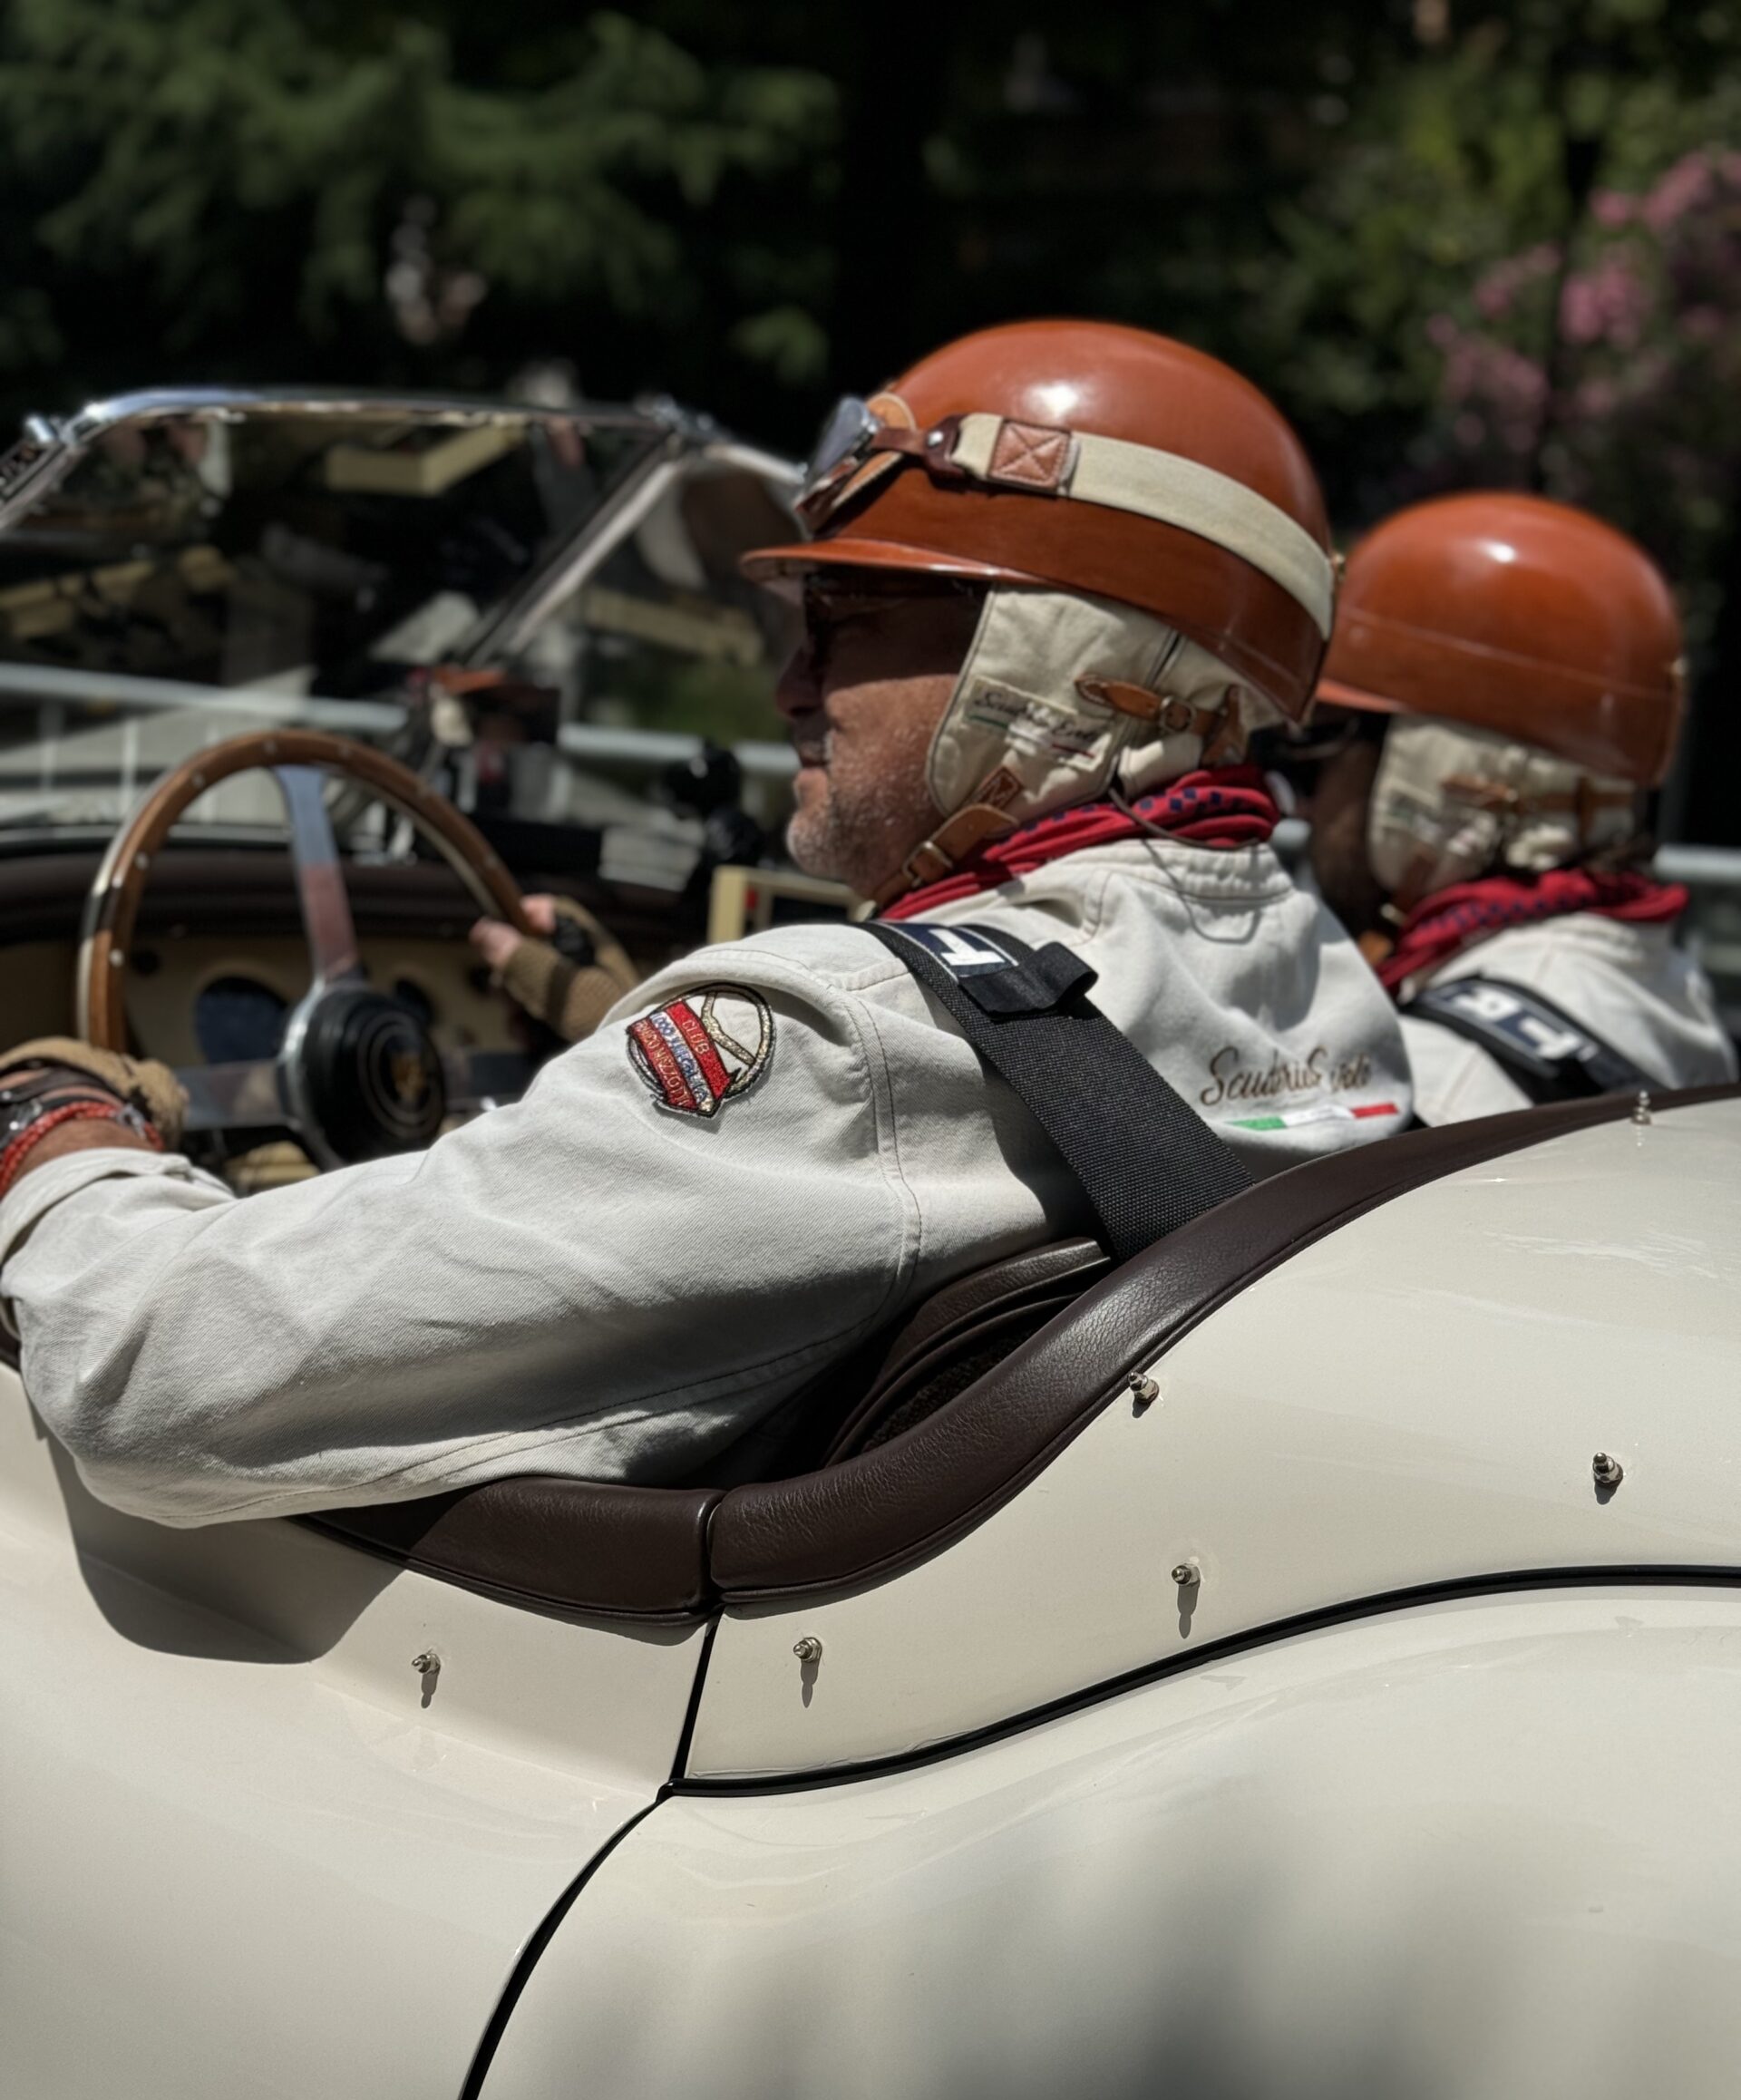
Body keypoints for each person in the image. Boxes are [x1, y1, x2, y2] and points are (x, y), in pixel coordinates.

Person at [0, 320, 1408, 1529]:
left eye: (847, 619)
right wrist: (627, 1025)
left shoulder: (839, 1038)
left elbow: (150, 1368)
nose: (789, 684)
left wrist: (60, 1152)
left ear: (1052, 664)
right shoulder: (1322, 973)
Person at [1305, 490, 1735, 1123]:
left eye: (1330, 741)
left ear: (1442, 781)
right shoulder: (1669, 987)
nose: (1308, 800)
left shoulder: (1438, 1088)